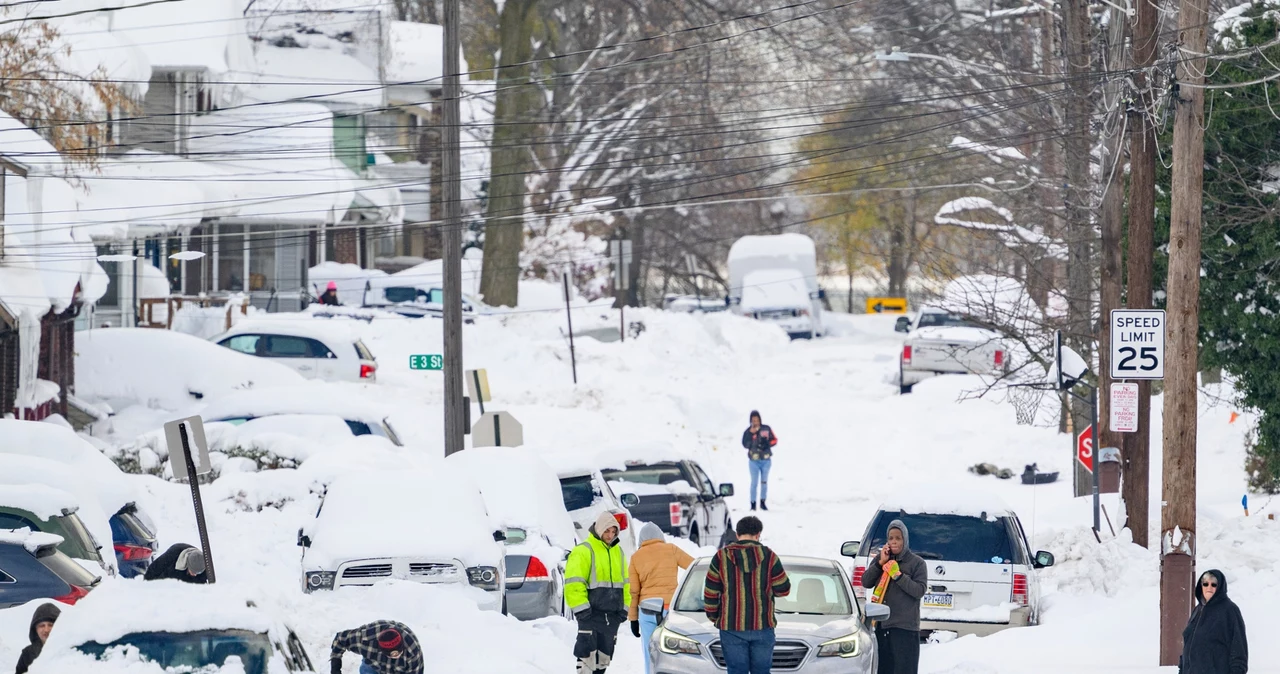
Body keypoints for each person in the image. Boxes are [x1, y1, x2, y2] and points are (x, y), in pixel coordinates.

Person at [703, 516, 790, 674]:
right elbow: (783, 589)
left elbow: (710, 592)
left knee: (736, 671)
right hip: (763, 626)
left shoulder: (721, 557)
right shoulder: (769, 557)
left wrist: (715, 617)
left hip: (731, 627)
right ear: (758, 534)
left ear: (737, 534)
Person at [566, 511, 631, 674]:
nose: (610, 535)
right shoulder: (583, 551)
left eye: (613, 531)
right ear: (599, 529)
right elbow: (573, 583)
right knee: (586, 663)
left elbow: (626, 584)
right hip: (590, 616)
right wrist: (582, 610)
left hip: (611, 618)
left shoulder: (618, 552)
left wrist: (624, 609)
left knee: (603, 662)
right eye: (607, 531)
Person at [860, 520, 927, 674]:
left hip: (904, 629)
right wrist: (880, 563)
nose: (894, 541)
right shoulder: (882, 559)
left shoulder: (917, 563)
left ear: (905, 540)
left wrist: (898, 576)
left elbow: (919, 590)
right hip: (881, 627)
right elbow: (866, 581)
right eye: (891, 538)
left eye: (898, 538)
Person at [628, 523, 695, 674]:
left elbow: (633, 592)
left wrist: (633, 619)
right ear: (660, 536)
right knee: (675, 650)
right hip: (670, 610)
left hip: (647, 612)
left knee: (649, 651)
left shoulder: (635, 557)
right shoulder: (671, 549)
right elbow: (693, 566)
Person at [1180, 569, 1248, 674]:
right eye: (1205, 584)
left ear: (1220, 587)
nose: (1209, 588)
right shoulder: (1197, 610)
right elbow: (1188, 645)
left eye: (1214, 584)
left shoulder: (1229, 610)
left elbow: (1239, 651)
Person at [330, 621, 423, 674]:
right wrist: (335, 669)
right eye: (392, 654)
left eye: (399, 651)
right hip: (373, 665)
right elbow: (340, 640)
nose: (396, 655)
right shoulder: (365, 639)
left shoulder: (412, 649)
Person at [741, 411, 777, 511]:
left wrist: (768, 443)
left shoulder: (766, 428)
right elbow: (745, 444)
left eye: (757, 420)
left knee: (764, 482)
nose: (755, 422)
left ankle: (763, 501)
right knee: (754, 482)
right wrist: (751, 435)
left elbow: (774, 440)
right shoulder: (748, 431)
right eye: (753, 421)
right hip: (754, 461)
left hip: (765, 460)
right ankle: (753, 503)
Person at [14, 603, 59, 674]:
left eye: (51, 625)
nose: (46, 630)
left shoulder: (71, 650)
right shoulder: (27, 654)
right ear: (35, 629)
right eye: (42, 626)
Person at [143, 543, 208, 584]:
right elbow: (153, 570)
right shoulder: (172, 555)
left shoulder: (203, 564)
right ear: (188, 564)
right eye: (193, 571)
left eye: (198, 572)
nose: (195, 574)